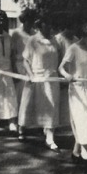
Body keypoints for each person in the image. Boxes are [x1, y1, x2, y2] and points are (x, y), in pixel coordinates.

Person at [59, 21, 87, 161]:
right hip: (77, 89)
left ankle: (76, 151)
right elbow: (61, 68)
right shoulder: (73, 48)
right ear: (84, 35)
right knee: (81, 119)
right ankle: (84, 150)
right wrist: (67, 75)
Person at [18, 16, 60, 150]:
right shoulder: (33, 40)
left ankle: (50, 137)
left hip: (51, 79)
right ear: (40, 26)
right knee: (29, 105)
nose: (49, 28)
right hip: (36, 77)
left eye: (50, 25)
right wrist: (31, 75)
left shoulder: (54, 40)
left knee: (51, 107)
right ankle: (22, 129)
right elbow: (25, 60)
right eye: (46, 25)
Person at [55, 17, 78, 127]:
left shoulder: (76, 40)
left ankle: (67, 125)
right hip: (60, 73)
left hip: (71, 74)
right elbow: (56, 58)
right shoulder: (58, 39)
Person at [11, 8, 37, 102]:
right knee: (20, 94)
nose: (30, 24)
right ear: (23, 20)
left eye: (32, 21)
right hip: (19, 67)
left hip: (32, 67)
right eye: (28, 21)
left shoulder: (35, 34)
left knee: (30, 95)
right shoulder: (16, 33)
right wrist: (14, 72)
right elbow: (12, 54)